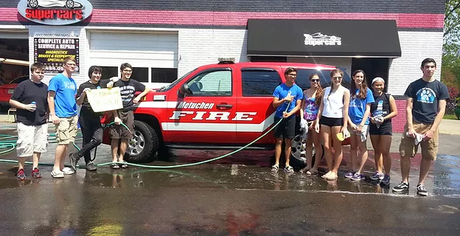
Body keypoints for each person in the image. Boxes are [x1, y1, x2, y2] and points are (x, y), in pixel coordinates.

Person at [393, 58, 449, 196]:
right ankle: (404, 182)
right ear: (422, 68)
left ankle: (421, 185)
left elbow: (441, 110)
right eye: (426, 67)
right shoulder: (414, 85)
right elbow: (408, 107)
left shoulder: (440, 87)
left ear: (435, 68)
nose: (429, 69)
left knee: (428, 155)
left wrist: (432, 130)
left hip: (430, 125)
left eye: (432, 67)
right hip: (414, 122)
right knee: (405, 153)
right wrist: (410, 127)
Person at [9, 63, 48, 180]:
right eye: (38, 72)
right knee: (24, 145)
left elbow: (48, 103)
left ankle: (35, 168)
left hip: (41, 121)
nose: (40, 75)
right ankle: (21, 169)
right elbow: (12, 101)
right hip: (25, 121)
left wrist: (49, 116)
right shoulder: (23, 85)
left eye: (42, 72)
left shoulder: (45, 87)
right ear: (32, 72)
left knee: (39, 146)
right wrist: (25, 107)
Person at [107, 63, 150, 169]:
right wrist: (115, 116)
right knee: (115, 136)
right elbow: (110, 97)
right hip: (117, 111)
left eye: (130, 71)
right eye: (126, 71)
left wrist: (138, 97)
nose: (128, 73)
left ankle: (121, 159)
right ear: (121, 71)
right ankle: (114, 160)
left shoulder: (134, 83)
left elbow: (147, 89)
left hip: (129, 112)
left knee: (126, 136)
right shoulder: (116, 83)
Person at [314, 69, 350, 180]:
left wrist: (345, 125)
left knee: (337, 147)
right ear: (331, 79)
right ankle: (330, 169)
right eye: (335, 78)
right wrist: (317, 121)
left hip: (337, 120)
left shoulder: (345, 91)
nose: (337, 80)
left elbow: (345, 109)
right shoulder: (325, 90)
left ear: (342, 78)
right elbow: (321, 107)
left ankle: (335, 171)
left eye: (339, 78)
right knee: (326, 146)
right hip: (325, 119)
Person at [48, 56, 78, 178]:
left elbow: (73, 98)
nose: (72, 66)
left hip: (72, 115)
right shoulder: (57, 79)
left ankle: (61, 166)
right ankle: (55, 168)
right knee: (62, 142)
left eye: (74, 64)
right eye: (70, 64)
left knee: (67, 143)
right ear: (64, 65)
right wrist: (53, 114)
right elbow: (50, 97)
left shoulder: (73, 81)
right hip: (62, 116)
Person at [69, 66, 104, 172]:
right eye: (95, 73)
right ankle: (88, 162)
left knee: (98, 139)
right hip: (86, 115)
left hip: (97, 116)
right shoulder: (83, 85)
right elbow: (78, 102)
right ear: (91, 74)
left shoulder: (102, 85)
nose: (97, 75)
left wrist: (114, 80)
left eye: (99, 73)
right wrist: (84, 93)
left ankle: (76, 155)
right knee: (86, 139)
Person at [271, 67, 303, 173]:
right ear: (286, 75)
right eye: (291, 74)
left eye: (294, 75)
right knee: (279, 141)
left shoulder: (298, 89)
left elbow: (298, 106)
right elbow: (274, 104)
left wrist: (289, 113)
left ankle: (287, 164)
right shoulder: (279, 88)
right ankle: (276, 163)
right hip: (279, 117)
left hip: (290, 118)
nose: (293, 76)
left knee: (288, 141)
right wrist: (284, 100)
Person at [345, 70, 375, 181]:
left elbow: (368, 109)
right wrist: (350, 123)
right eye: (357, 76)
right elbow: (345, 109)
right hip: (351, 123)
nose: (359, 79)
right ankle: (353, 169)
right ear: (353, 77)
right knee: (353, 147)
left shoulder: (367, 91)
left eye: (361, 77)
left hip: (362, 123)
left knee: (362, 147)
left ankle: (360, 171)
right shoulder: (349, 91)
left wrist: (362, 124)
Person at [368, 77, 398, 186]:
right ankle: (378, 171)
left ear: (383, 85)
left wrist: (384, 118)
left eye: (381, 85)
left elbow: (395, 112)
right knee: (377, 150)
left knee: (385, 151)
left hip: (385, 126)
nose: (379, 87)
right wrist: (370, 118)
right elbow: (367, 110)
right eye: (376, 85)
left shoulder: (388, 97)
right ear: (372, 86)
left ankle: (387, 174)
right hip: (373, 126)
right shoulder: (370, 97)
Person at [299, 73, 323, 175]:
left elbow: (322, 109)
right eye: (313, 80)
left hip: (315, 121)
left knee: (317, 144)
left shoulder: (321, 93)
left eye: (317, 80)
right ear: (310, 81)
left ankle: (315, 167)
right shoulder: (305, 92)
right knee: (308, 144)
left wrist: (316, 121)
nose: (315, 82)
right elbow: (302, 106)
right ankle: (308, 165)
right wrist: (302, 119)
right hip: (306, 121)